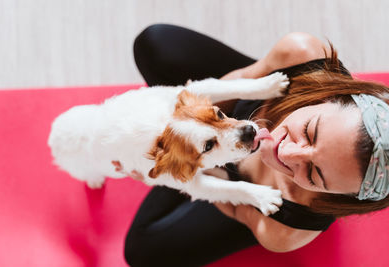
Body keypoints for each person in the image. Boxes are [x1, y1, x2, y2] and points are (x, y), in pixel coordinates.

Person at [124, 24, 389, 267]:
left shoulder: (285, 230)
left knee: (143, 253)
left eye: (313, 173)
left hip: (230, 187)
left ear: (337, 196)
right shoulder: (302, 54)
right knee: (154, 44)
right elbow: (237, 81)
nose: (285, 153)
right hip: (236, 107)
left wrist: (182, 169)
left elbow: (237, 208)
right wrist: (171, 132)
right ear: (329, 98)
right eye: (309, 132)